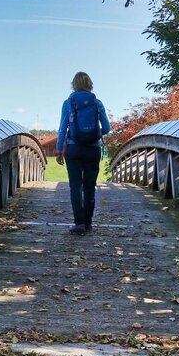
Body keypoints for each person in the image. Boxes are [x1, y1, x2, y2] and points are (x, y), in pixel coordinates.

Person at [55, 72, 111, 235]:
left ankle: (78, 223)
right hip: (93, 149)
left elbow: (62, 128)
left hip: (73, 148)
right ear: (90, 85)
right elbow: (106, 128)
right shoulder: (97, 103)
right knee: (89, 187)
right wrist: (93, 134)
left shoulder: (68, 103)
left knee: (75, 187)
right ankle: (88, 223)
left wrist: (59, 149)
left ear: (73, 85)